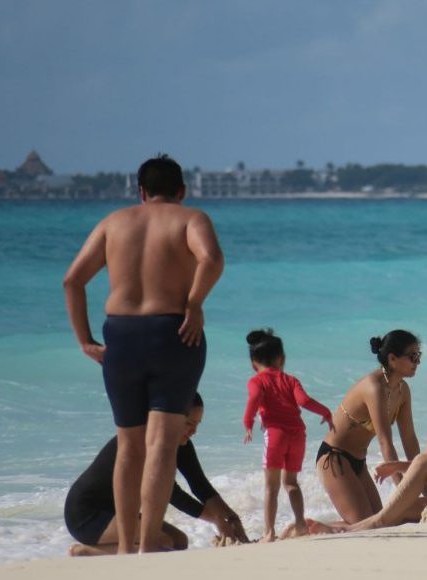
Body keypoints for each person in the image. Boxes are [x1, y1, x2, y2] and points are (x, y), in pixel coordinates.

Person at [63, 154, 224, 553]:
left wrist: (85, 340)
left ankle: (124, 548)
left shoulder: (113, 222)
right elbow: (211, 259)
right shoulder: (190, 218)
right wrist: (195, 303)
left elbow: (72, 281)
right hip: (174, 334)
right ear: (182, 191)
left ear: (140, 191)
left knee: (129, 444)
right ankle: (148, 543)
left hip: (120, 338)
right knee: (162, 445)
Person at [295, 368, 427, 535]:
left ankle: (370, 524)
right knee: (399, 515)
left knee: (385, 516)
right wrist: (399, 466)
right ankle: (316, 530)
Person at [65, 394, 249, 556]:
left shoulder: (182, 443)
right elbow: (170, 493)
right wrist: (216, 520)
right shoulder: (147, 440)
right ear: (173, 418)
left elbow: (200, 485)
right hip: (86, 514)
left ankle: (110, 549)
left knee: (179, 542)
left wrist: (231, 518)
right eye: (188, 424)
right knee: (162, 543)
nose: (194, 431)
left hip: (116, 511)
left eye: (197, 424)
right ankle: (87, 552)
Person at [315, 330, 423, 523]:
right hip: (334, 457)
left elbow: (409, 439)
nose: (418, 362)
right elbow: (385, 442)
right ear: (392, 359)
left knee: (378, 521)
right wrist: (403, 490)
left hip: (358, 461)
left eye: (419, 355)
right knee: (366, 523)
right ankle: (300, 531)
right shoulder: (374, 388)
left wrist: (422, 482)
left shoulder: (402, 390)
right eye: (413, 356)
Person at [242, 328, 335, 542]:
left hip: (275, 435)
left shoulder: (257, 381)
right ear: (282, 358)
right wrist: (325, 412)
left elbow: (254, 398)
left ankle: (269, 533)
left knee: (271, 487)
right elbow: (304, 401)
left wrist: (248, 423)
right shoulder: (291, 380)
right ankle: (301, 524)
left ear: (253, 363)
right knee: (291, 483)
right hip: (298, 435)